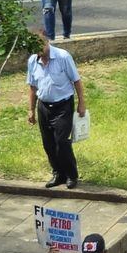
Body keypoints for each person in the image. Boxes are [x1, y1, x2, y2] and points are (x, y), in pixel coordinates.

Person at [27, 33, 85, 190]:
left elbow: (77, 81)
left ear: (47, 42)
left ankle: (71, 175)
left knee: (62, 142)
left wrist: (81, 103)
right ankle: (58, 174)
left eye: (41, 46)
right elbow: (32, 86)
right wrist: (31, 110)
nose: (39, 50)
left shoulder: (62, 57)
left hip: (63, 106)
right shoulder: (33, 61)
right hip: (44, 106)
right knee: (48, 143)